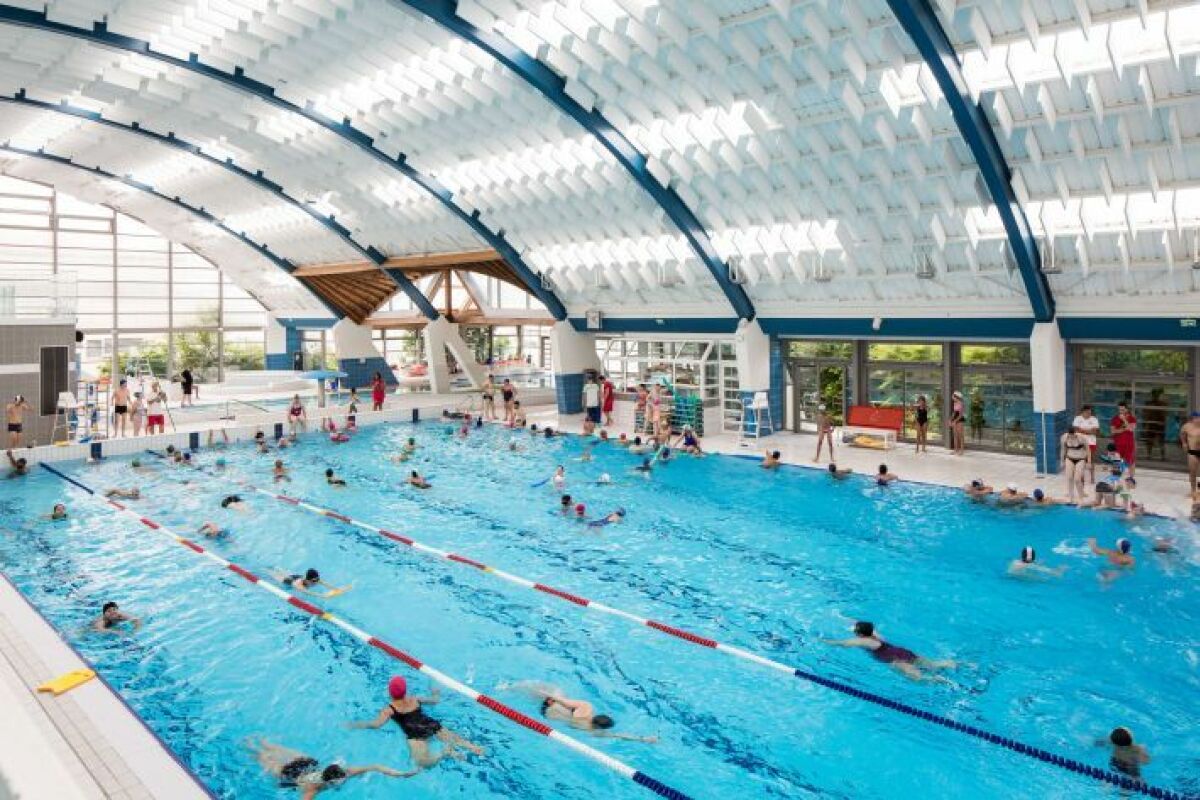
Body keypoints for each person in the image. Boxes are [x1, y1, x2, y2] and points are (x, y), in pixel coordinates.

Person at [347, 676, 484, 769]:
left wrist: (358, 724)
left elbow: (376, 724)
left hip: (415, 734)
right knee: (459, 740)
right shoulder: (415, 699)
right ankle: (475, 748)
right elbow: (435, 700)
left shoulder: (389, 710)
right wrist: (435, 691)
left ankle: (445, 753)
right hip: (431, 724)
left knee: (422, 763)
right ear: (405, 690)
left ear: (390, 693)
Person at [250, 738, 412, 798]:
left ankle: (259, 741)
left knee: (269, 748)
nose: (344, 779)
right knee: (261, 758)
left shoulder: (345, 772)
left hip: (307, 764)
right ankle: (250, 746)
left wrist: (400, 774)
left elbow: (375, 766)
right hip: (293, 776)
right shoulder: (313, 789)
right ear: (332, 781)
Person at [824, 621, 956, 682]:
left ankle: (939, 679)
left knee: (917, 678)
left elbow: (843, 644)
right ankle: (953, 664)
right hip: (903, 652)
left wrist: (824, 641)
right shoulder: (875, 634)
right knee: (933, 664)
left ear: (860, 634)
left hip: (895, 659)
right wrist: (842, 617)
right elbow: (860, 622)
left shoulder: (862, 641)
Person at [517, 685, 655, 742]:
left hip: (551, 704)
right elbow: (618, 735)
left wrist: (545, 694)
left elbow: (560, 700)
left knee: (556, 690)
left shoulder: (586, 707)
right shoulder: (591, 730)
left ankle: (516, 687)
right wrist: (643, 739)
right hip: (547, 714)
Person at [1060, 425, 1091, 504]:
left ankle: (1081, 498)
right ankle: (1071, 497)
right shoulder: (1064, 437)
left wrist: (1089, 462)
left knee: (1077, 479)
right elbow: (1063, 450)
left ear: (1075, 433)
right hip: (1069, 458)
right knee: (1069, 478)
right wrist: (1062, 461)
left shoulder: (1082, 438)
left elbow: (1088, 450)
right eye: (1070, 436)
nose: (1071, 437)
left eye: (1073, 436)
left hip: (1080, 459)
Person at [1072, 404, 1102, 483]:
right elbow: (1075, 430)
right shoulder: (1077, 418)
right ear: (1083, 412)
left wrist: (1082, 430)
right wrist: (1089, 431)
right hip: (1080, 443)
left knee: (1091, 460)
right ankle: (1082, 478)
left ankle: (1092, 477)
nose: (1089, 414)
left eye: (1090, 413)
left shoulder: (1094, 419)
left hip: (1091, 443)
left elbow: (1095, 432)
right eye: (1087, 413)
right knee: (1081, 460)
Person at [276, 568, 350, 598]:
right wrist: (324, 596)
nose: (316, 582)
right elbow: (310, 593)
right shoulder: (299, 585)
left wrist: (338, 590)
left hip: (296, 577)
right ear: (308, 580)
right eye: (314, 581)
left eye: (317, 580)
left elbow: (327, 585)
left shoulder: (315, 579)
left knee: (286, 574)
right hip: (287, 581)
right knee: (275, 575)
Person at [1110, 401, 1137, 478]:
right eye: (1119, 410)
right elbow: (1113, 431)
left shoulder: (1132, 418)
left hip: (1129, 444)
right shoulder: (1114, 419)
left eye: (1122, 410)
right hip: (1118, 444)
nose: (1121, 411)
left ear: (1127, 409)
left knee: (1131, 461)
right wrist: (1123, 429)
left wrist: (1124, 420)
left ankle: (1131, 478)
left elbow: (1131, 429)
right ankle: (1115, 477)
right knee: (1116, 461)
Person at [1180, 411, 1200, 496]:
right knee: (1193, 472)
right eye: (1196, 418)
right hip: (1193, 452)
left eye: (1199, 418)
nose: (1198, 420)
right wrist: (1184, 443)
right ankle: (1193, 490)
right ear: (1192, 419)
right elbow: (1182, 434)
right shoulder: (1186, 427)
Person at [949, 390, 965, 456]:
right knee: (955, 436)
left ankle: (961, 450)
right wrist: (950, 420)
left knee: (960, 436)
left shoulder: (961, 403)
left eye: (953, 396)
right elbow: (954, 413)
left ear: (956, 397)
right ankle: (955, 450)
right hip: (955, 419)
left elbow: (961, 415)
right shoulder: (955, 403)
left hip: (960, 420)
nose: (952, 397)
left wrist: (955, 421)